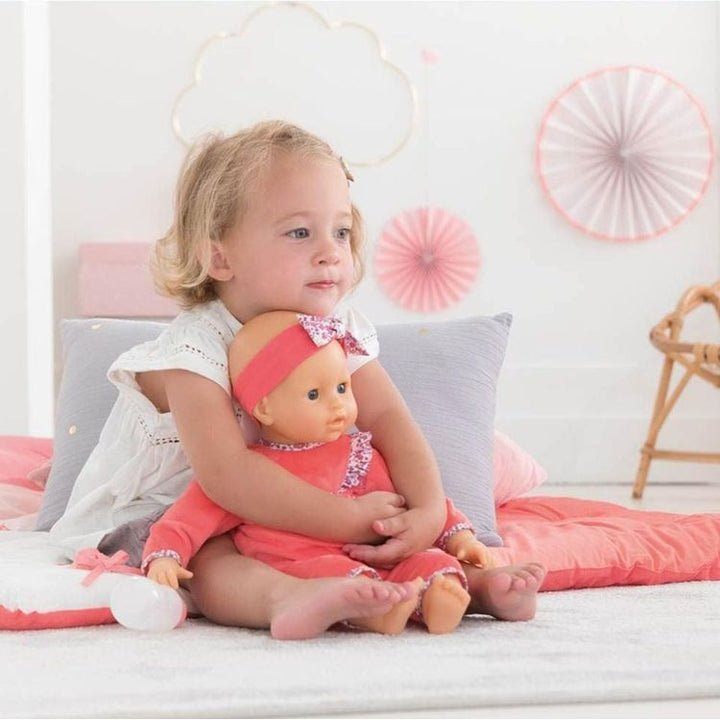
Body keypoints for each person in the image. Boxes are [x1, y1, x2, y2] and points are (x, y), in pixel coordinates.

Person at [51, 120, 544, 639]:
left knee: (388, 528)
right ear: (220, 256)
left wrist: (424, 512)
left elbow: (388, 419)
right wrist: (349, 520)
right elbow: (227, 477)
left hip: (297, 508)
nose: (331, 251)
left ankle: (467, 585)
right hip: (183, 512)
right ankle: (283, 597)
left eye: (341, 231)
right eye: (300, 232)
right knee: (214, 558)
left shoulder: (334, 327)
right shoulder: (193, 350)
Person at [143, 311, 500, 635]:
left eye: (342, 388)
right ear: (264, 408)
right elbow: (189, 517)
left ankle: (435, 598)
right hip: (302, 564)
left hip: (375, 555)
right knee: (334, 576)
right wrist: (165, 556)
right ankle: (372, 611)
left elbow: (406, 499)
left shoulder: (362, 453)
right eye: (314, 395)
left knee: (429, 561)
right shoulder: (254, 472)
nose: (338, 405)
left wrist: (459, 537)